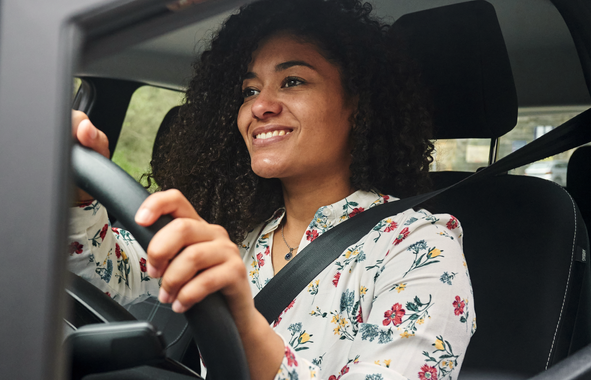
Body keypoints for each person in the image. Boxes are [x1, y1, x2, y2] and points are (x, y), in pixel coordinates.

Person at [69, 0, 475, 379]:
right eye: (249, 90)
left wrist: (244, 327)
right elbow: (108, 277)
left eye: (293, 81)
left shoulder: (418, 245)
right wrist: (78, 199)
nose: (260, 106)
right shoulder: (237, 234)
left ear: (358, 104)